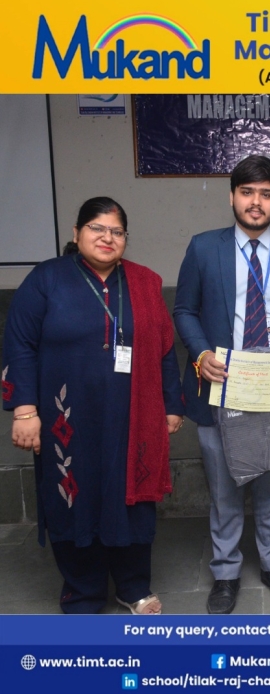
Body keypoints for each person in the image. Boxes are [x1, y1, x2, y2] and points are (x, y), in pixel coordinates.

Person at [2, 197, 184, 614]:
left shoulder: (144, 282)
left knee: (133, 499)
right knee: (72, 497)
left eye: (117, 231)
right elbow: (19, 345)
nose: (107, 238)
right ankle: (83, 590)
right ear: (76, 233)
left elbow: (163, 349)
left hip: (132, 417)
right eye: (97, 228)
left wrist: (171, 404)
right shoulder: (47, 279)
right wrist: (25, 411)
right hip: (66, 419)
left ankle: (133, 586)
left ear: (126, 239)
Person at [173, 155, 270, 613]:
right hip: (220, 386)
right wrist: (201, 354)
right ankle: (225, 573)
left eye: (266, 194)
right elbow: (185, 310)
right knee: (224, 492)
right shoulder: (204, 248)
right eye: (247, 192)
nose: (256, 202)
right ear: (232, 196)